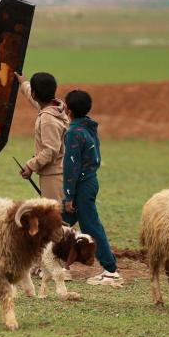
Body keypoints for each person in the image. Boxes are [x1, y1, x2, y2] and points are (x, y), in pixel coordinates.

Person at [61, 89, 122, 286]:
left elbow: (71, 166)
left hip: (81, 185)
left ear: (67, 109)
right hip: (90, 181)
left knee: (91, 227)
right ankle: (57, 264)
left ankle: (111, 270)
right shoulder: (88, 127)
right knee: (62, 222)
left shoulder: (73, 133)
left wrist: (69, 195)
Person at [15, 72, 69, 202]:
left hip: (54, 176)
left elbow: (51, 151)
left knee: (56, 218)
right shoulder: (55, 107)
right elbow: (33, 97)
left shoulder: (47, 119)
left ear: (35, 94)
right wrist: (23, 83)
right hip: (60, 171)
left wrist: (30, 166)